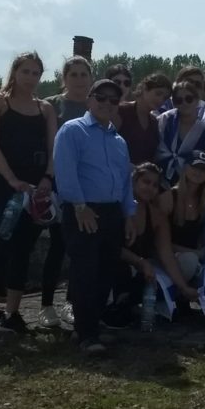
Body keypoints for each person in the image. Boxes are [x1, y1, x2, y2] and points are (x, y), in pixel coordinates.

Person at [53, 78, 136, 353]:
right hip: (84, 210)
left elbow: (125, 181)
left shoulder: (119, 140)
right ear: (90, 99)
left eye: (114, 100)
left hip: (111, 211)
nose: (107, 104)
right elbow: (66, 171)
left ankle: (88, 327)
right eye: (101, 97)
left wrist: (130, 214)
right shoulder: (72, 131)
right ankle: (87, 334)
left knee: (106, 272)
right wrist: (79, 205)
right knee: (84, 272)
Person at [0, 51, 57, 336]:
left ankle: (13, 313)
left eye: (36, 73)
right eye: (26, 72)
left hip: (36, 189)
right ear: (14, 72)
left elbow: (53, 148)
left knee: (23, 250)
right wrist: (11, 179)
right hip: (5, 186)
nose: (31, 78)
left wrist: (48, 178)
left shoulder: (45, 108)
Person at [106, 162, 199, 325]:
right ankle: (115, 305)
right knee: (119, 267)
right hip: (121, 265)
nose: (150, 188)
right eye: (146, 182)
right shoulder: (117, 207)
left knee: (189, 261)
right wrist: (139, 262)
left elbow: (166, 254)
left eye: (155, 185)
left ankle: (163, 300)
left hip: (143, 270)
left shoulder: (157, 215)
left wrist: (184, 287)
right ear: (134, 182)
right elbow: (110, 246)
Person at [38, 55, 93, 329]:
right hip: (59, 185)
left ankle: (70, 302)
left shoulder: (96, 106)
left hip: (87, 186)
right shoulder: (51, 105)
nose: (80, 80)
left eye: (84, 75)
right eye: (74, 75)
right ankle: (47, 304)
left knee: (78, 249)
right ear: (65, 78)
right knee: (58, 247)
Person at [155, 77, 205, 186]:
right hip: (162, 182)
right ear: (174, 103)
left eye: (188, 99)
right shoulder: (164, 121)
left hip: (193, 186)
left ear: (197, 100)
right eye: (179, 100)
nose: (184, 103)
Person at [168, 150, 205, 291]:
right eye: (194, 167)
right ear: (185, 168)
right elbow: (158, 244)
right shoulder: (169, 197)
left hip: (193, 260)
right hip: (169, 259)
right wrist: (195, 254)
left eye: (203, 169)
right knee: (190, 261)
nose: (198, 172)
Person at [117, 72, 170, 165]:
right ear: (145, 88)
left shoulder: (154, 122)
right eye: (158, 93)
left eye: (165, 98)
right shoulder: (121, 111)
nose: (161, 100)